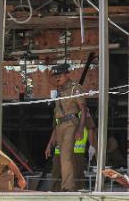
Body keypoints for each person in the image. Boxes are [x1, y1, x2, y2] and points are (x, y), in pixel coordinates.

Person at [50, 63, 88, 191]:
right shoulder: (60, 91)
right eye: (55, 76)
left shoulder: (75, 89)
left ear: (67, 74)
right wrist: (53, 136)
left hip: (71, 123)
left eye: (60, 75)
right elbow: (56, 115)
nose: (57, 78)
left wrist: (80, 129)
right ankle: (66, 185)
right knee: (63, 157)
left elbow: (83, 110)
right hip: (60, 125)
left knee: (66, 156)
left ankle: (68, 187)